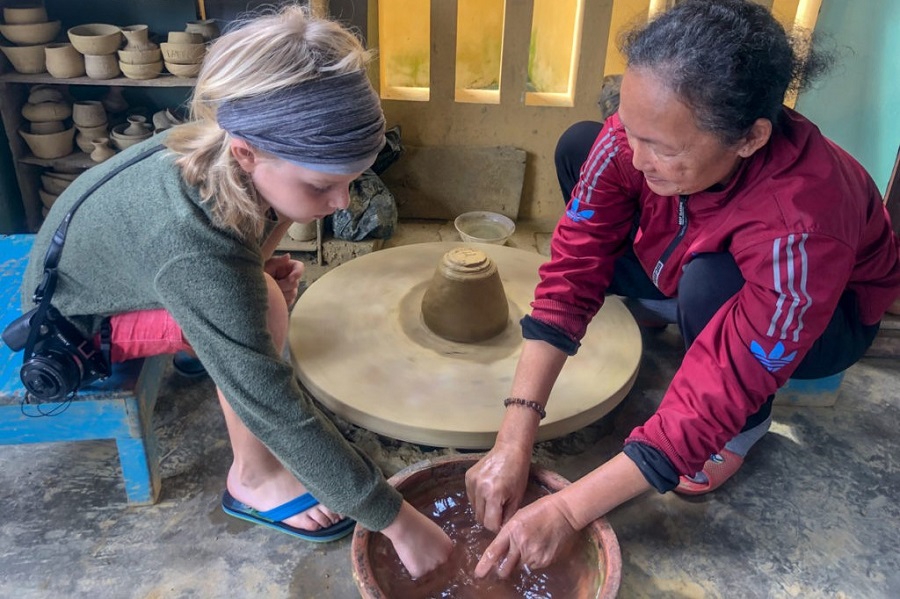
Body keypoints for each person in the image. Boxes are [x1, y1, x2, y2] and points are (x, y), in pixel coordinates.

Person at [467, 0, 900, 578]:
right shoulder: (639, 141)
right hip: (687, 243)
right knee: (583, 145)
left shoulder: (802, 223)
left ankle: (747, 429)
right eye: (634, 129)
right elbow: (575, 263)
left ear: (750, 139)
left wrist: (568, 510)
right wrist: (514, 436)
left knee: (711, 284)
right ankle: (663, 303)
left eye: (664, 148)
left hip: (822, 318)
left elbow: (722, 383)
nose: (636, 155)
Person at [20, 5, 451, 578]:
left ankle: (204, 343)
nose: (344, 203)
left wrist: (253, 265)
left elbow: (240, 242)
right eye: (324, 184)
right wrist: (393, 518)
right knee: (264, 308)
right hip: (74, 326)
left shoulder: (224, 150)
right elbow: (271, 403)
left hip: (127, 269)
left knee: (251, 286)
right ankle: (253, 481)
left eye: (352, 180)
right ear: (248, 153)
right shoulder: (193, 244)